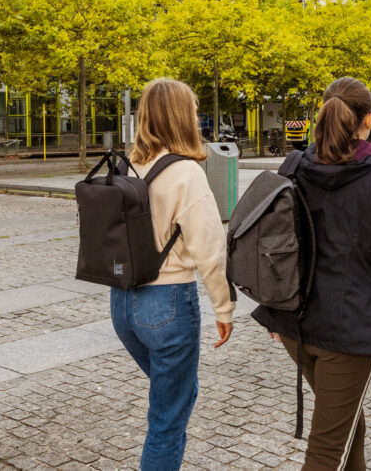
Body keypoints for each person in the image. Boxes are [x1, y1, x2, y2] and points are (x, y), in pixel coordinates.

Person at [253, 77, 371, 471]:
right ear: (368, 120)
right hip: (347, 334)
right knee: (326, 451)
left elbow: (272, 239)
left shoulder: (293, 164)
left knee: (343, 422)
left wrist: (273, 308)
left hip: (295, 325)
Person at [112, 78, 235, 471]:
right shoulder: (187, 173)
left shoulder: (125, 165)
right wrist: (224, 307)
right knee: (167, 421)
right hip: (167, 306)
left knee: (177, 395)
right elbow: (210, 250)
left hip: (123, 304)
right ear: (183, 117)